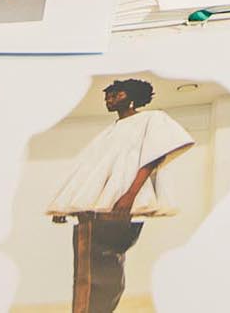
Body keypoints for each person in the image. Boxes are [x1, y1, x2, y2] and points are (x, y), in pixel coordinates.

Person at [48, 78, 195, 313]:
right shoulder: (111, 131)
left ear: (133, 96)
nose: (110, 98)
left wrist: (130, 195)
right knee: (87, 270)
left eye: (117, 94)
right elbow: (91, 171)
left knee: (102, 270)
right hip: (97, 210)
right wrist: (66, 207)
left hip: (121, 206)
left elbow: (153, 158)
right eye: (108, 95)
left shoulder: (150, 119)